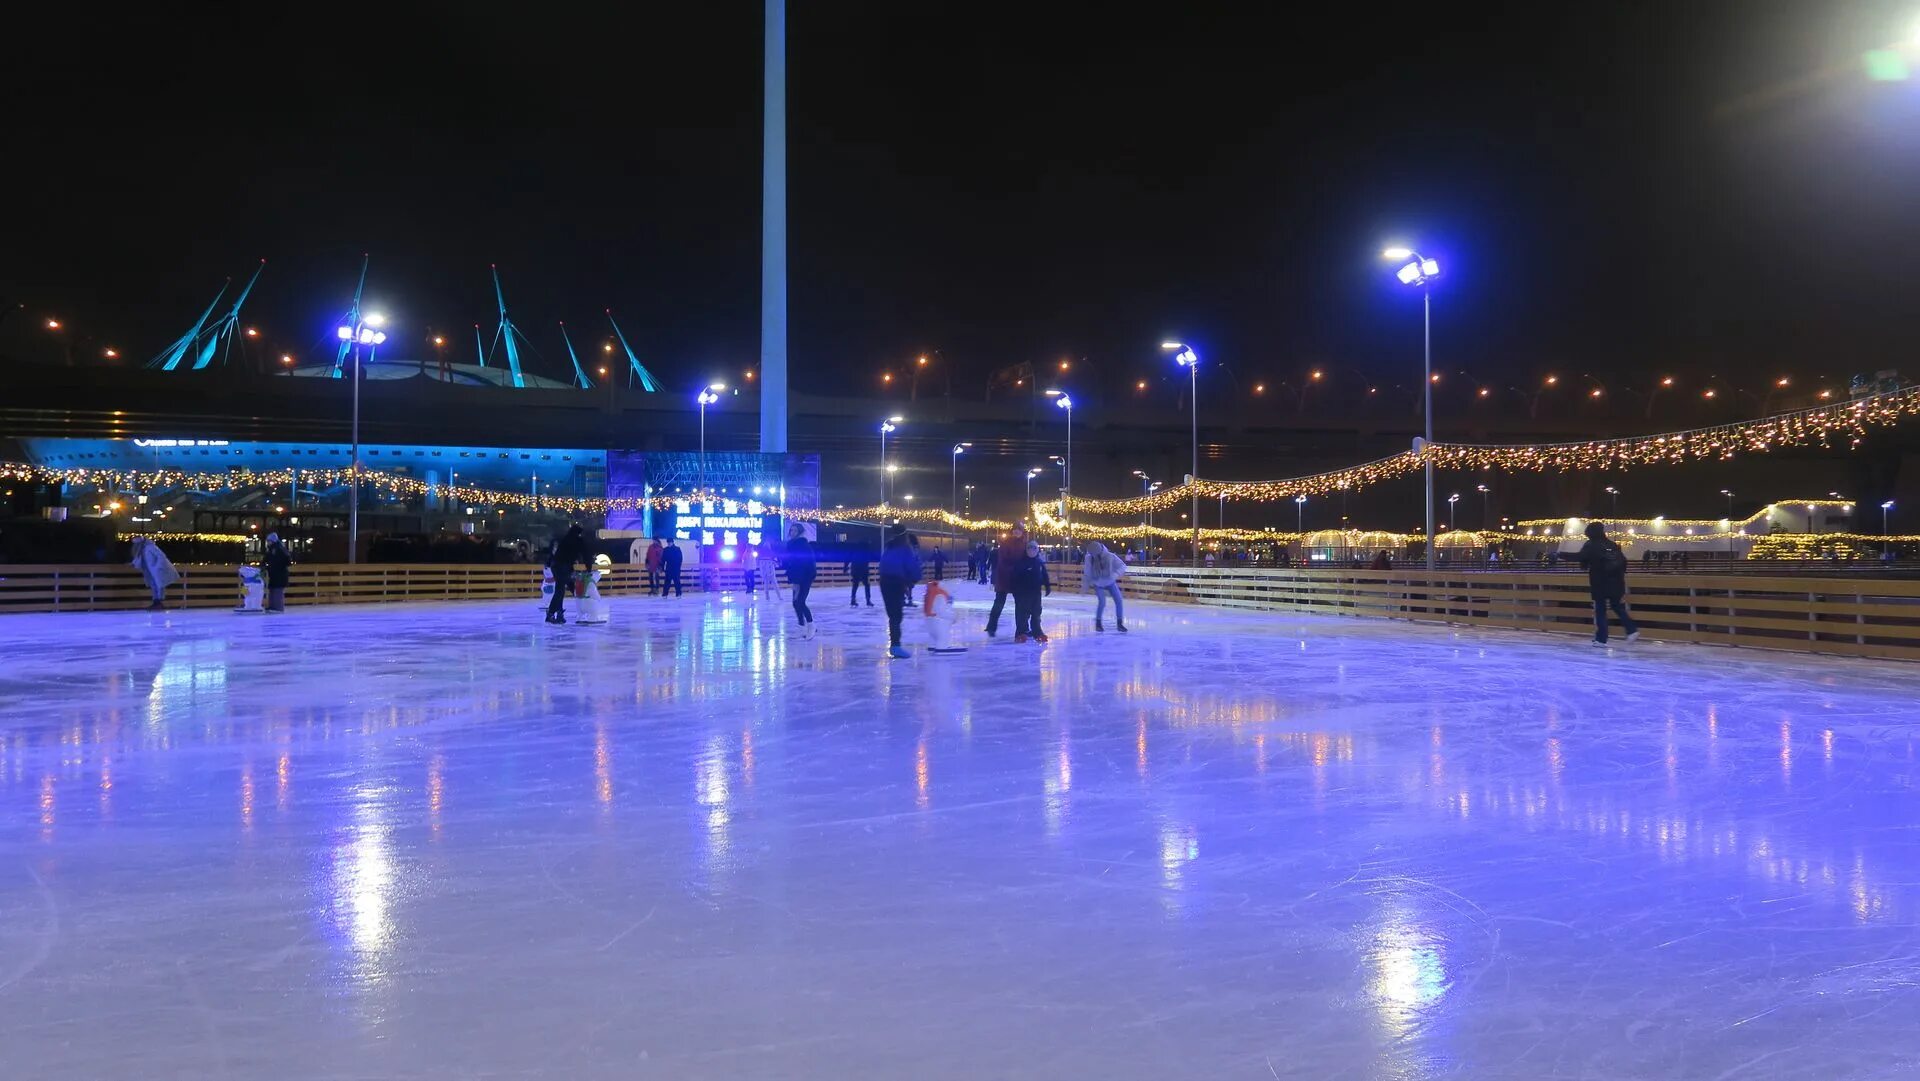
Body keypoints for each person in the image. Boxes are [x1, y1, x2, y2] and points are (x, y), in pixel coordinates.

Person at [1576, 522, 1640, 646]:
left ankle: (1601, 639)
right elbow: (1624, 562)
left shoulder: (1591, 545)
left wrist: (1559, 555)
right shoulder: (1612, 545)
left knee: (1600, 610)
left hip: (1600, 583)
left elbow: (1580, 558)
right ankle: (1632, 630)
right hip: (1616, 583)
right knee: (1616, 606)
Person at [878, 527, 923, 659]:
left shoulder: (888, 548)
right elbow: (912, 568)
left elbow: (883, 566)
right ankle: (895, 646)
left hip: (885, 583)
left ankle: (895, 645)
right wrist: (912, 581)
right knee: (896, 616)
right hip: (896, 583)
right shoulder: (904, 549)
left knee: (893, 615)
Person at [984, 524, 1028, 637]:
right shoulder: (1006, 543)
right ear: (1012, 531)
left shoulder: (1024, 543)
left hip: (1018, 578)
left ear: (1022, 532)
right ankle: (991, 626)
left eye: (1019, 530)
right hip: (1005, 576)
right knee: (999, 602)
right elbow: (1003, 560)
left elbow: (1026, 559)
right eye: (1015, 530)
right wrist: (1013, 569)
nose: (1017, 532)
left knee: (1021, 604)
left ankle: (1022, 630)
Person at [1010, 539, 1052, 643]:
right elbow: (1014, 577)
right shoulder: (1021, 562)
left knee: (1036, 613)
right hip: (1022, 593)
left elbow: (1045, 576)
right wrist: (1015, 591)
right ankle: (1021, 633)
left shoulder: (1039, 562)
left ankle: (1037, 632)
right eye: (1029, 548)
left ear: (1037, 550)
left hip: (1036, 593)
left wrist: (1047, 586)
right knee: (1022, 614)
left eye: (1034, 548)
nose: (1032, 551)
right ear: (1026, 550)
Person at [1082, 539, 1128, 632]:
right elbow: (1087, 572)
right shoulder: (1089, 558)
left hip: (1110, 581)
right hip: (1098, 582)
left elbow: (1122, 566)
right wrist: (1085, 585)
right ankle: (1098, 623)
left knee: (1119, 600)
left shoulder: (1110, 556)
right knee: (1102, 602)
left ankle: (1120, 623)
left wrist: (1115, 575)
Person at [546, 523, 587, 624]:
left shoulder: (566, 539)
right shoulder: (574, 541)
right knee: (560, 591)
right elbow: (569, 557)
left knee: (560, 591)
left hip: (558, 566)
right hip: (561, 567)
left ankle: (558, 613)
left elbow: (567, 557)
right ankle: (552, 613)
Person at [782, 523, 817, 638]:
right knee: (795, 602)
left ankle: (811, 625)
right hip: (796, 576)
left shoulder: (803, 544)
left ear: (799, 532)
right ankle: (801, 625)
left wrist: (798, 580)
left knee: (800, 601)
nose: (792, 533)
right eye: (791, 530)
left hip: (806, 576)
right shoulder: (789, 545)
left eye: (795, 531)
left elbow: (806, 563)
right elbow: (789, 563)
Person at [130, 536, 179, 611]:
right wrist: (134, 564)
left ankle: (158, 603)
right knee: (154, 586)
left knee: (159, 586)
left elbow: (161, 556)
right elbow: (140, 559)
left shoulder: (150, 547)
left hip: (157, 570)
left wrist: (158, 567)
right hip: (151, 571)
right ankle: (156, 603)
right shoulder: (142, 550)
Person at [264, 532, 291, 613]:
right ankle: (272, 607)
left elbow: (288, 560)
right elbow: (267, 558)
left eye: (269, 541)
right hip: (274, 574)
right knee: (272, 589)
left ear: (273, 541)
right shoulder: (272, 549)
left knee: (277, 590)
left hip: (280, 574)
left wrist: (279, 566)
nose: (268, 542)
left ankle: (278, 608)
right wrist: (265, 565)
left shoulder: (279, 548)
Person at [847, 542, 874, 606]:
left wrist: (845, 568)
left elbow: (847, 559)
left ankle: (853, 600)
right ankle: (868, 600)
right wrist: (867, 571)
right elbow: (867, 561)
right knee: (867, 585)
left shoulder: (854, 552)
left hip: (855, 570)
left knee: (855, 585)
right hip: (863, 570)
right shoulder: (865, 552)